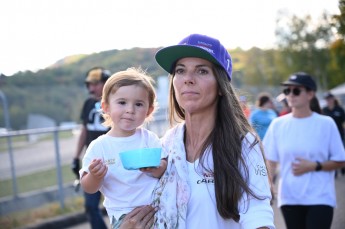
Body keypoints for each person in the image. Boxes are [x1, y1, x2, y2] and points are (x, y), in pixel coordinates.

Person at [151, 33, 275, 228]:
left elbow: (257, 215)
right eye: (180, 71)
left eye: (201, 71)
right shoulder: (167, 143)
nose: (188, 79)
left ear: (220, 85)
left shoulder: (243, 143)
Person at [79, 67, 167, 228]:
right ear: (106, 107)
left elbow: (164, 166)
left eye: (139, 104)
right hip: (123, 216)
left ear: (149, 110)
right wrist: (95, 176)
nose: (130, 110)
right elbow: (88, 187)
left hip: (158, 211)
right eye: (122, 102)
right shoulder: (100, 146)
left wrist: (157, 168)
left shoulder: (150, 138)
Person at [263, 72, 345, 229]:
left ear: (310, 94)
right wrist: (267, 188)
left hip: (320, 197)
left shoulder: (326, 123)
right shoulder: (278, 124)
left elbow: (341, 160)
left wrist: (314, 166)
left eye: (296, 90)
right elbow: (270, 161)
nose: (290, 95)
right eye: (287, 91)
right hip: (289, 198)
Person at [71, 67, 111, 229]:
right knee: (90, 205)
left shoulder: (116, 100)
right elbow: (84, 130)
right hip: (93, 161)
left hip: (113, 159)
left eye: (96, 84)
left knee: (123, 203)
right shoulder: (88, 103)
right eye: (90, 85)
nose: (92, 88)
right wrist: (76, 157)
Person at [322, 92, 345, 176]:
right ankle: (334, 171)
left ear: (333, 99)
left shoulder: (339, 109)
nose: (329, 101)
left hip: (340, 134)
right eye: (327, 99)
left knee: (341, 151)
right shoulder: (324, 110)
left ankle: (343, 169)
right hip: (328, 136)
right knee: (330, 154)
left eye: (330, 99)